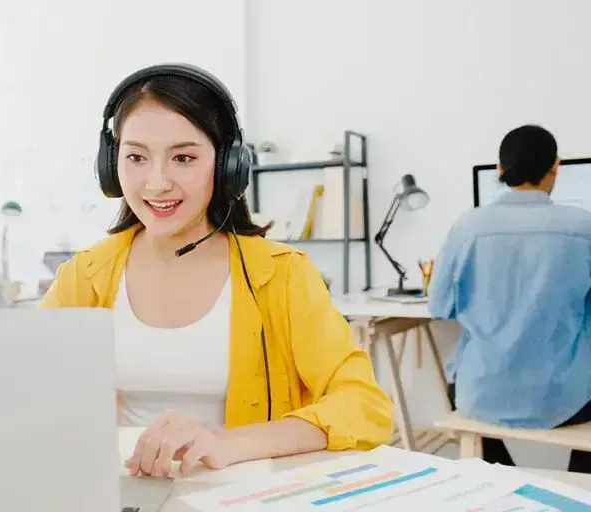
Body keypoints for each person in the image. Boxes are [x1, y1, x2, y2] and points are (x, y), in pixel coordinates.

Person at [40, 63, 393, 477]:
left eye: (183, 157)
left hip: (244, 494)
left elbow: (365, 406)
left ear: (228, 166)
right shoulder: (84, 276)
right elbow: (24, 391)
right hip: (117, 491)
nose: (156, 183)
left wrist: (227, 442)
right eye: (136, 156)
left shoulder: (281, 275)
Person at [429, 125, 591, 473]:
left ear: (500, 170)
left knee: (462, 379)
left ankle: (500, 478)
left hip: (481, 395)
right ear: (556, 166)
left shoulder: (468, 227)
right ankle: (576, 487)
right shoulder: (585, 227)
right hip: (569, 400)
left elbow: (439, 306)